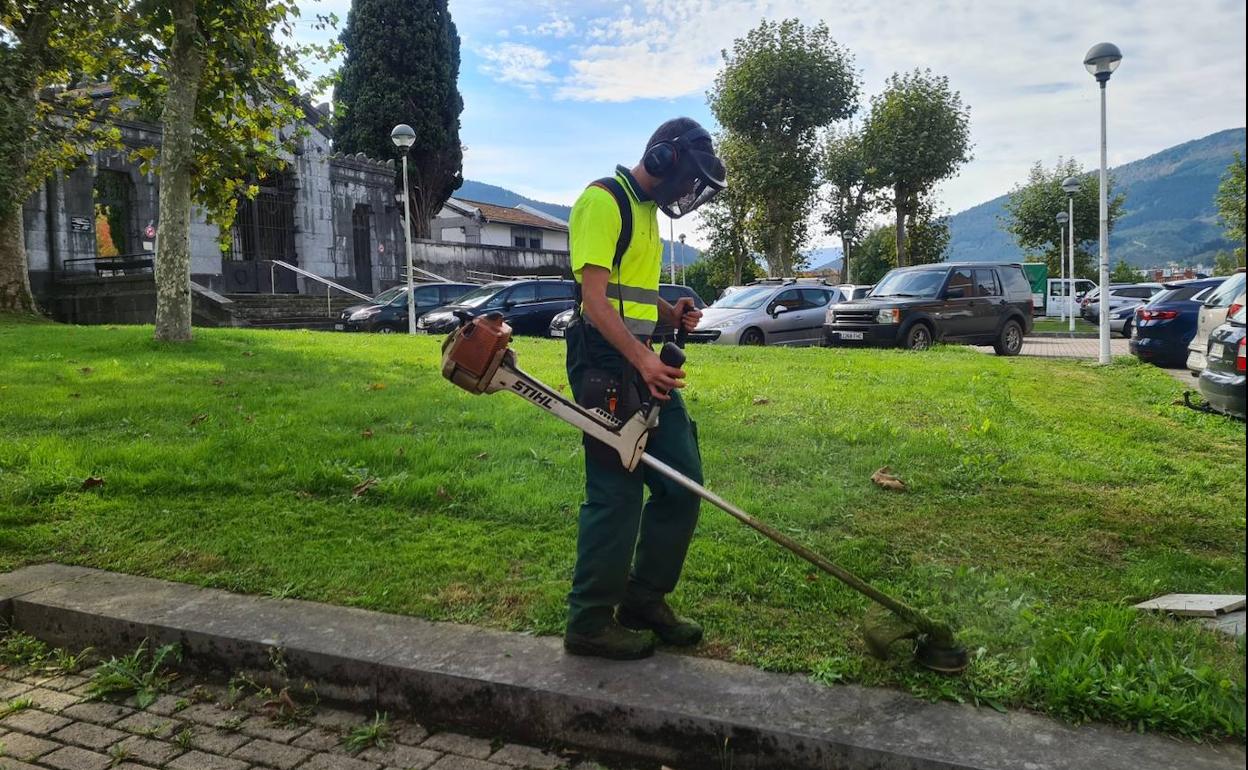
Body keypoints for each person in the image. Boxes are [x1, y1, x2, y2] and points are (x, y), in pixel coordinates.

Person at [562, 117, 726, 660]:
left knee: (683, 482)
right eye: (688, 178)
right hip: (604, 363)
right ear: (663, 158)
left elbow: (626, 290)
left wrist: (666, 310)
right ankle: (588, 621)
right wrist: (641, 358)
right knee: (617, 493)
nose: (689, 191)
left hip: (640, 360)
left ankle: (642, 599)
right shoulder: (603, 202)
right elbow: (595, 299)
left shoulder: (647, 213)